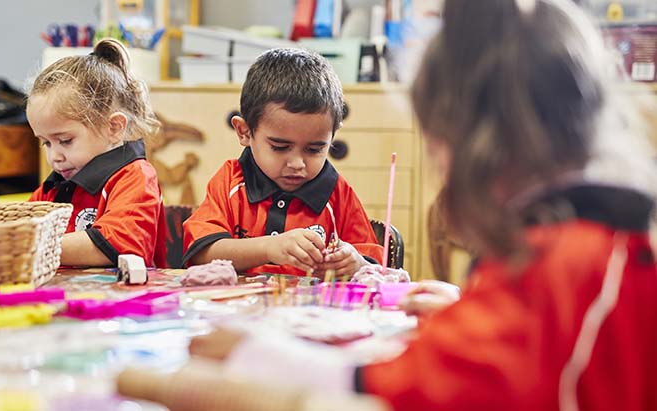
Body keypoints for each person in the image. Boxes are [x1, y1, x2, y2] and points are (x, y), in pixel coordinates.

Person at [181, 1, 657, 410]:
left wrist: (259, 355)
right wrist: (466, 306)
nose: (443, 173)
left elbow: (417, 388)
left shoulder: (568, 258)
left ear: (483, 145)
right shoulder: (592, 234)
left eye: (438, 149)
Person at [0, 39, 168, 268]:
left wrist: (25, 243)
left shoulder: (135, 176)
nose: (54, 157)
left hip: (127, 300)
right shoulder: (56, 186)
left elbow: (118, 247)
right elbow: (20, 230)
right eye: (46, 144)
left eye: (65, 141)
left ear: (114, 128)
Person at [182, 48, 383, 277]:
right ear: (245, 132)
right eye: (280, 147)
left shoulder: (338, 194)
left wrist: (356, 263)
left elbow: (375, 269)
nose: (297, 163)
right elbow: (200, 254)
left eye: (315, 149)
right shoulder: (231, 181)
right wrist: (269, 247)